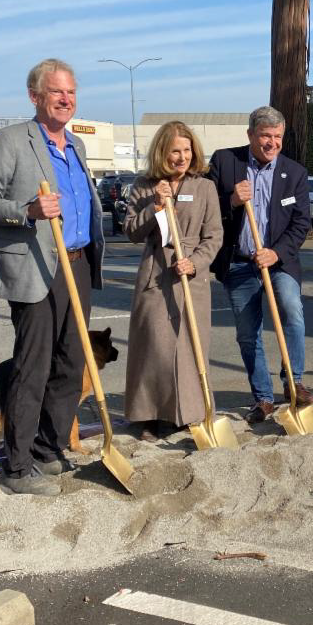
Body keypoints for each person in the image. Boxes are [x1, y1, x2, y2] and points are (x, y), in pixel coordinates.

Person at [0, 58, 104, 495]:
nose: (66, 99)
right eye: (57, 92)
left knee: (71, 361)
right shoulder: (11, 141)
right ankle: (18, 465)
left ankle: (48, 449)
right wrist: (26, 211)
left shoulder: (76, 145)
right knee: (33, 366)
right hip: (35, 266)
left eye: (71, 92)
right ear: (35, 97)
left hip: (77, 262)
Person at [207, 106, 313, 424]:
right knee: (247, 332)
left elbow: (301, 223)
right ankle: (263, 398)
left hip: (279, 261)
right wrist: (230, 201)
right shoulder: (225, 161)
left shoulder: (295, 173)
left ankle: (293, 381)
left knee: (292, 310)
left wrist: (276, 253)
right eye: (266, 135)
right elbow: (205, 210)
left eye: (277, 136)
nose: (272, 143)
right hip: (239, 262)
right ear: (251, 134)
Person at [123, 121, 223, 440]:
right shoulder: (144, 185)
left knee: (190, 347)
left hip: (191, 276)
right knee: (154, 346)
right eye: (174, 151)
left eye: (186, 150)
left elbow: (214, 235)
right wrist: (154, 206)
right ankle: (150, 415)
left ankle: (188, 412)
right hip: (155, 274)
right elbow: (131, 232)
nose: (182, 157)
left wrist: (194, 263)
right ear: (161, 153)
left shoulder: (204, 187)